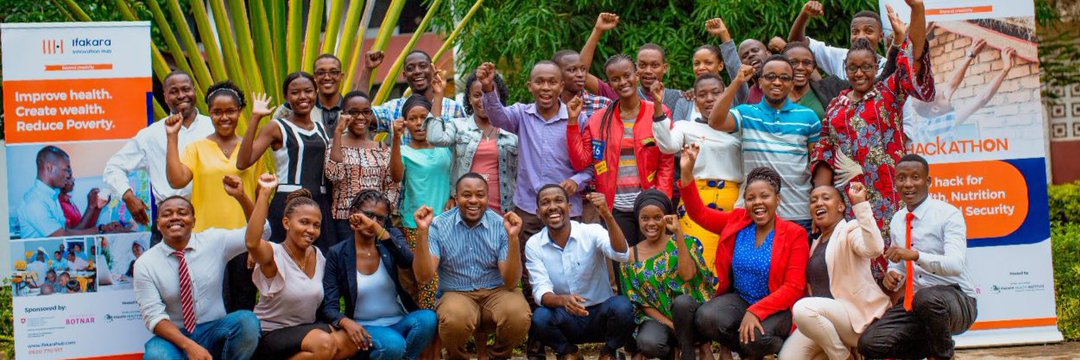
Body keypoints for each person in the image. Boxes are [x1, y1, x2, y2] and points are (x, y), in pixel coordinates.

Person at [811, 0, 933, 282]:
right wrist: (821, 198)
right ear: (845, 68)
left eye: (866, 67)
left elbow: (913, 56)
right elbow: (824, 156)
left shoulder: (887, 94)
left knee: (900, 265)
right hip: (854, 202)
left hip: (893, 196)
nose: (859, 73)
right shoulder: (835, 108)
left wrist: (917, 10)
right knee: (862, 269)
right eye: (853, 68)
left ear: (874, 68)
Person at [671, 145, 809, 360]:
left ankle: (778, 347)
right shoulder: (738, 221)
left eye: (765, 196)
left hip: (776, 307)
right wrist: (687, 173)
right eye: (751, 198)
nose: (758, 203)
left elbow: (794, 287)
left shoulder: (795, 234)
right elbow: (699, 214)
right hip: (741, 299)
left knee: (756, 337)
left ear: (777, 200)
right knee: (706, 318)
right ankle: (747, 349)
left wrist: (757, 311)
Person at [857, 154, 977, 359]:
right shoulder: (898, 219)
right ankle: (933, 343)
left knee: (927, 298)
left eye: (915, 177)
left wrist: (915, 255)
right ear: (896, 182)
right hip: (918, 304)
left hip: (958, 301)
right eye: (902, 178)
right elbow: (899, 266)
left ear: (928, 181)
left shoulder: (949, 214)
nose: (908, 184)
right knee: (869, 343)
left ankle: (942, 356)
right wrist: (892, 274)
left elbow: (956, 264)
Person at [412, 173, 532, 360]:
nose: (473, 200)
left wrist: (513, 238)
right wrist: (422, 232)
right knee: (454, 318)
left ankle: (497, 356)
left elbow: (510, 281)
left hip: (497, 292)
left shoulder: (501, 225)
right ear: (456, 197)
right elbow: (423, 277)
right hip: (456, 293)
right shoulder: (438, 225)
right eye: (466, 195)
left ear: (488, 197)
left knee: (518, 314)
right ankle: (458, 357)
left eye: (480, 195)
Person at [243, 174, 360, 360]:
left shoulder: (319, 256)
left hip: (305, 330)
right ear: (286, 223)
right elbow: (252, 242)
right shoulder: (274, 254)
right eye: (304, 222)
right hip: (271, 333)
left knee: (353, 341)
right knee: (324, 344)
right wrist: (264, 193)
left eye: (316, 225)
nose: (311, 230)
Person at [134, 195, 262, 359]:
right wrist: (189, 346)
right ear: (158, 224)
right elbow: (154, 317)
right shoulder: (145, 263)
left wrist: (242, 196)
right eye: (167, 214)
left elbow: (261, 232)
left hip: (215, 329)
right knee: (156, 355)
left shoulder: (214, 241)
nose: (175, 217)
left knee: (247, 321)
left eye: (182, 212)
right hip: (175, 336)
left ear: (194, 221)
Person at [566, 54, 675, 246]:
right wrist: (573, 123)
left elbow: (666, 160)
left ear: (637, 75)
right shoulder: (598, 119)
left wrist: (660, 199)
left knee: (651, 263)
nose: (622, 82)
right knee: (623, 263)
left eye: (627, 76)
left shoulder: (659, 110)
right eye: (615, 79)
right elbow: (581, 161)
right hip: (615, 206)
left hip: (650, 205)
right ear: (610, 83)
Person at [777, 182, 889, 360]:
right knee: (788, 357)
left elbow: (874, 248)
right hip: (823, 323)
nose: (818, 203)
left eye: (826, 198)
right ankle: (837, 351)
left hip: (856, 320)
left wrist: (860, 205)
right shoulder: (815, 243)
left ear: (841, 206)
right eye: (813, 200)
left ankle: (843, 357)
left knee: (803, 308)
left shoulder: (849, 230)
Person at [322, 189, 438, 360]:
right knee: (394, 345)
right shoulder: (338, 253)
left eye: (380, 218)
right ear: (354, 214)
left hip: (399, 322)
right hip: (365, 327)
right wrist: (346, 323)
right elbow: (329, 306)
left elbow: (408, 260)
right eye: (368, 215)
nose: (373, 222)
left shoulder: (390, 241)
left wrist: (377, 229)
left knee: (428, 319)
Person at [709, 61, 820, 235]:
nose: (777, 82)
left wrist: (817, 206)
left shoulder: (808, 117)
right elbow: (715, 121)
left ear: (792, 83)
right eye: (770, 77)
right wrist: (737, 82)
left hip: (799, 214)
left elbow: (817, 165)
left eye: (784, 78)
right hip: (755, 214)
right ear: (760, 82)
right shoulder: (745, 113)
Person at [103, 70, 215, 241]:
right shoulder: (151, 135)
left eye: (186, 89)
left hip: (211, 222)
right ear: (165, 96)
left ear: (194, 90)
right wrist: (128, 196)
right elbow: (113, 167)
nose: (181, 95)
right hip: (170, 224)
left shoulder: (213, 128)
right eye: (174, 91)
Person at [526, 186, 633, 360]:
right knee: (540, 318)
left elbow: (621, 254)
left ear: (570, 207)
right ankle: (569, 352)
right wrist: (563, 300)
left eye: (558, 200)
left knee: (623, 307)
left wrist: (608, 216)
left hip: (600, 315)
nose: (552, 207)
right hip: (566, 317)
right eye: (545, 203)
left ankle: (609, 351)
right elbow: (541, 290)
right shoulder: (534, 244)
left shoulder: (591, 231)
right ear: (538, 213)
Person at [653, 73, 743, 275]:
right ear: (694, 98)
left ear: (726, 93)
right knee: (694, 257)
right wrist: (658, 106)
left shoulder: (738, 126)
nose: (709, 98)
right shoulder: (686, 126)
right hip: (696, 201)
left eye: (716, 93)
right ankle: (693, 305)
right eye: (702, 94)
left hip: (732, 201)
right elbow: (667, 145)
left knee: (727, 260)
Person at [237, 72, 337, 250]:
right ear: (286, 96)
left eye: (308, 91)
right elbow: (243, 162)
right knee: (284, 258)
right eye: (295, 92)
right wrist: (255, 118)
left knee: (322, 259)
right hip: (287, 202)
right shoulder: (277, 127)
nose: (302, 97)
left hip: (320, 202)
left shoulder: (323, 128)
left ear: (316, 93)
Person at [619, 189, 719, 360]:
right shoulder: (630, 257)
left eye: (658, 218)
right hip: (661, 322)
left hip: (690, 317)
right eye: (645, 218)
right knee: (648, 343)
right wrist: (672, 325)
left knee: (682, 302)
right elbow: (642, 303)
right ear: (638, 219)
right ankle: (672, 351)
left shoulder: (685, 242)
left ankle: (692, 349)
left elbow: (687, 276)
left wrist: (678, 232)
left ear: (667, 218)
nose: (651, 223)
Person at [166, 81, 264, 231]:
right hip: (204, 237)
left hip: (244, 237)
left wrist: (258, 240)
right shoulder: (196, 148)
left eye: (230, 111)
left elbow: (260, 200)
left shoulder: (251, 151)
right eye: (217, 112)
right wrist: (172, 136)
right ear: (210, 113)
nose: (224, 117)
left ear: (240, 111)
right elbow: (176, 181)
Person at [391, 94, 453, 310]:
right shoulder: (405, 151)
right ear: (405, 123)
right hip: (415, 225)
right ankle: (429, 329)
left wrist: (454, 195)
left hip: (447, 222)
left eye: (424, 117)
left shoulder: (445, 147)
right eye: (413, 118)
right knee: (428, 281)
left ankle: (444, 331)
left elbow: (457, 174)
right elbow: (396, 176)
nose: (419, 123)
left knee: (448, 278)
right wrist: (396, 140)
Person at [426, 71, 519, 215]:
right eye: (477, 95)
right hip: (466, 210)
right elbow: (435, 138)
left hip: (504, 211)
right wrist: (438, 96)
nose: (483, 100)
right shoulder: (458, 126)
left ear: (498, 97)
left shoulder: (512, 131)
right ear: (469, 99)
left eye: (488, 94)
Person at [325, 90, 402, 243]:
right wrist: (339, 131)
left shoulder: (381, 148)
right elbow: (333, 174)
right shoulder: (335, 144)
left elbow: (393, 184)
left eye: (366, 112)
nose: (360, 117)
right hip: (346, 221)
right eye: (353, 112)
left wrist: (381, 214)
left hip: (377, 221)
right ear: (344, 114)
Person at [908, 40, 1017, 143]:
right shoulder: (937, 126)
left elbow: (951, 85)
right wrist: (1005, 69)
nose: (947, 94)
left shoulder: (928, 123)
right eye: (944, 97)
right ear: (936, 109)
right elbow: (981, 99)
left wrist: (971, 54)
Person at [578, 14, 682, 111]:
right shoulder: (623, 91)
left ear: (665, 68)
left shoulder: (680, 97)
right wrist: (598, 31)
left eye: (654, 65)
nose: (648, 71)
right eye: (642, 65)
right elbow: (581, 74)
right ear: (636, 69)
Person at [19, 146, 125, 238]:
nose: (68, 176)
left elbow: (73, 231)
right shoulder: (35, 202)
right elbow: (63, 236)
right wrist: (102, 229)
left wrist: (96, 211)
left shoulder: (52, 196)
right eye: (66, 170)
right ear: (49, 168)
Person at [364, 50, 467, 144]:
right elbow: (360, 113)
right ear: (404, 75)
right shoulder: (393, 108)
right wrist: (367, 70)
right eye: (410, 68)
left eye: (422, 66)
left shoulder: (454, 108)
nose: (417, 71)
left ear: (433, 69)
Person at [788, 1, 891, 79]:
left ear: (881, 36)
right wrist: (804, 14)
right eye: (855, 32)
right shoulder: (839, 57)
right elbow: (796, 43)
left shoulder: (889, 66)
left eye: (868, 31)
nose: (860, 36)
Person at [671, 17, 748, 121]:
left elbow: (738, 72)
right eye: (697, 63)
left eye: (708, 63)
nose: (701, 67)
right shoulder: (685, 101)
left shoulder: (733, 95)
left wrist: (724, 34)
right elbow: (677, 132)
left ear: (721, 65)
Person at [274, 54, 347, 131]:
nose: (327, 77)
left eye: (333, 72)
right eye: (321, 73)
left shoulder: (353, 109)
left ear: (341, 76)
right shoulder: (290, 108)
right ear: (314, 77)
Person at [781, 42, 849, 121]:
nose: (800, 67)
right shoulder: (773, 97)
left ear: (813, 67)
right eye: (793, 62)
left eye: (807, 63)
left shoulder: (831, 87)